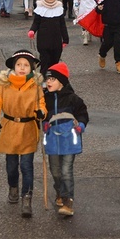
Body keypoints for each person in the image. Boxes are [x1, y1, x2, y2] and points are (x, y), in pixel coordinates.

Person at [0, 49, 47, 218]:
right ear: (13, 66)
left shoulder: (35, 86)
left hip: (28, 128)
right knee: (12, 166)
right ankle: (13, 187)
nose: (22, 68)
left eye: (26, 65)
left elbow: (41, 104)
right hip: (10, 128)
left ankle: (26, 198)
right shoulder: (3, 84)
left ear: (32, 68)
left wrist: (41, 111)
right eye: (19, 64)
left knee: (26, 166)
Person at [41, 62, 89, 217]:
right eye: (47, 79)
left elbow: (83, 113)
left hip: (69, 139)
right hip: (53, 140)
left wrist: (80, 125)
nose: (48, 82)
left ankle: (68, 202)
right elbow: (42, 115)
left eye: (52, 79)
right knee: (55, 171)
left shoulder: (73, 99)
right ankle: (60, 193)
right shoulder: (45, 99)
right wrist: (44, 124)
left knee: (66, 171)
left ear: (61, 82)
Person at [28, 0, 69, 75]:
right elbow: (36, 23)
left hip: (56, 41)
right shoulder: (40, 8)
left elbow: (62, 25)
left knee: (55, 62)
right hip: (43, 41)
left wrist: (65, 39)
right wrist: (32, 31)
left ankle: (53, 79)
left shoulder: (59, 8)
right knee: (45, 61)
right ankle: (43, 79)